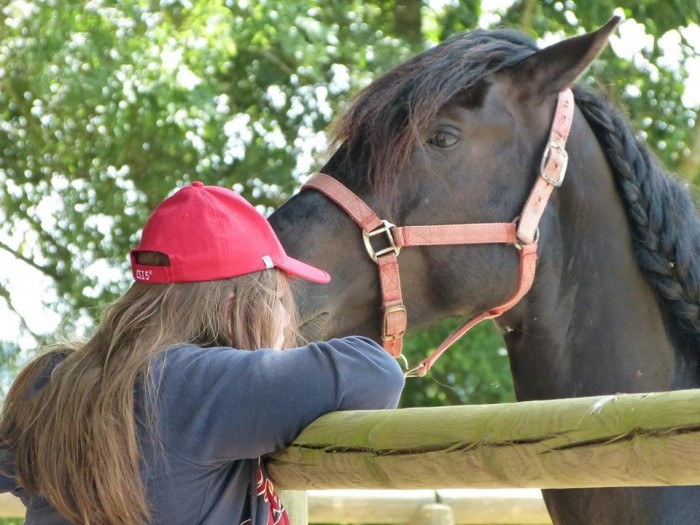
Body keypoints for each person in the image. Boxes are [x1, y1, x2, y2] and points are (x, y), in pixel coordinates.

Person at [0, 182, 405, 524]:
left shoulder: (51, 378)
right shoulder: (197, 385)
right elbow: (377, 373)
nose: (287, 322)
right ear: (233, 307)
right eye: (281, 302)